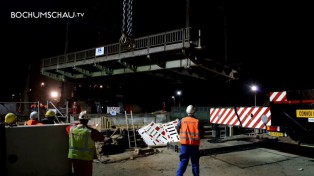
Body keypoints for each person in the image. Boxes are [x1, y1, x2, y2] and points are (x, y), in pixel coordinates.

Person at [66, 110, 104, 176]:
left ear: (79, 119)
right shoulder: (91, 131)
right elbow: (101, 138)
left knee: (77, 173)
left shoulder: (71, 128)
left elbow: (67, 128)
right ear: (88, 120)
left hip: (74, 156)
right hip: (86, 158)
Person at [176, 105, 204, 176]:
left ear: (186, 111)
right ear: (194, 112)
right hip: (194, 146)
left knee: (183, 161)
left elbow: (177, 129)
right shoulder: (197, 121)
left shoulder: (182, 120)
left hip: (184, 146)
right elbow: (202, 133)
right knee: (195, 163)